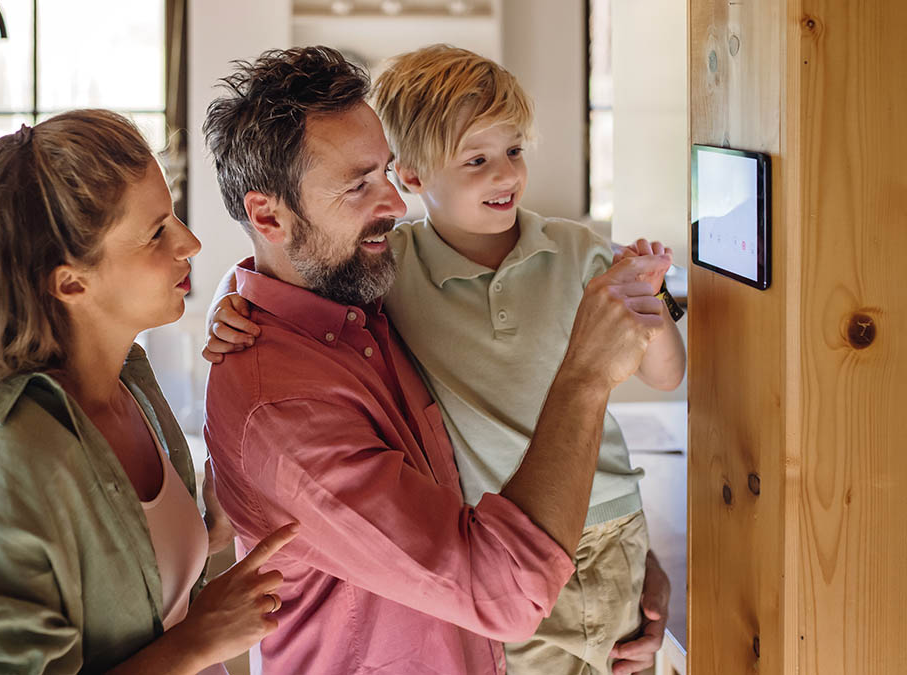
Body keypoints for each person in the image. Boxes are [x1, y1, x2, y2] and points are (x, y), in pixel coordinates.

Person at [207, 45, 684, 675]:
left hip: (588, 545)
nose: (394, 205)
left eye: (383, 172)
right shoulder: (291, 397)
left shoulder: (360, 289)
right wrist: (588, 375)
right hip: (506, 588)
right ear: (267, 214)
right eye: (359, 184)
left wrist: (623, 542)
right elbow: (506, 589)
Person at [0, 109, 295, 674]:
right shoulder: (7, 456)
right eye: (156, 232)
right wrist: (199, 641)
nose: (190, 243)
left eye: (173, 216)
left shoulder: (131, 385)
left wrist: (209, 530)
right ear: (70, 282)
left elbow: (135, 591)